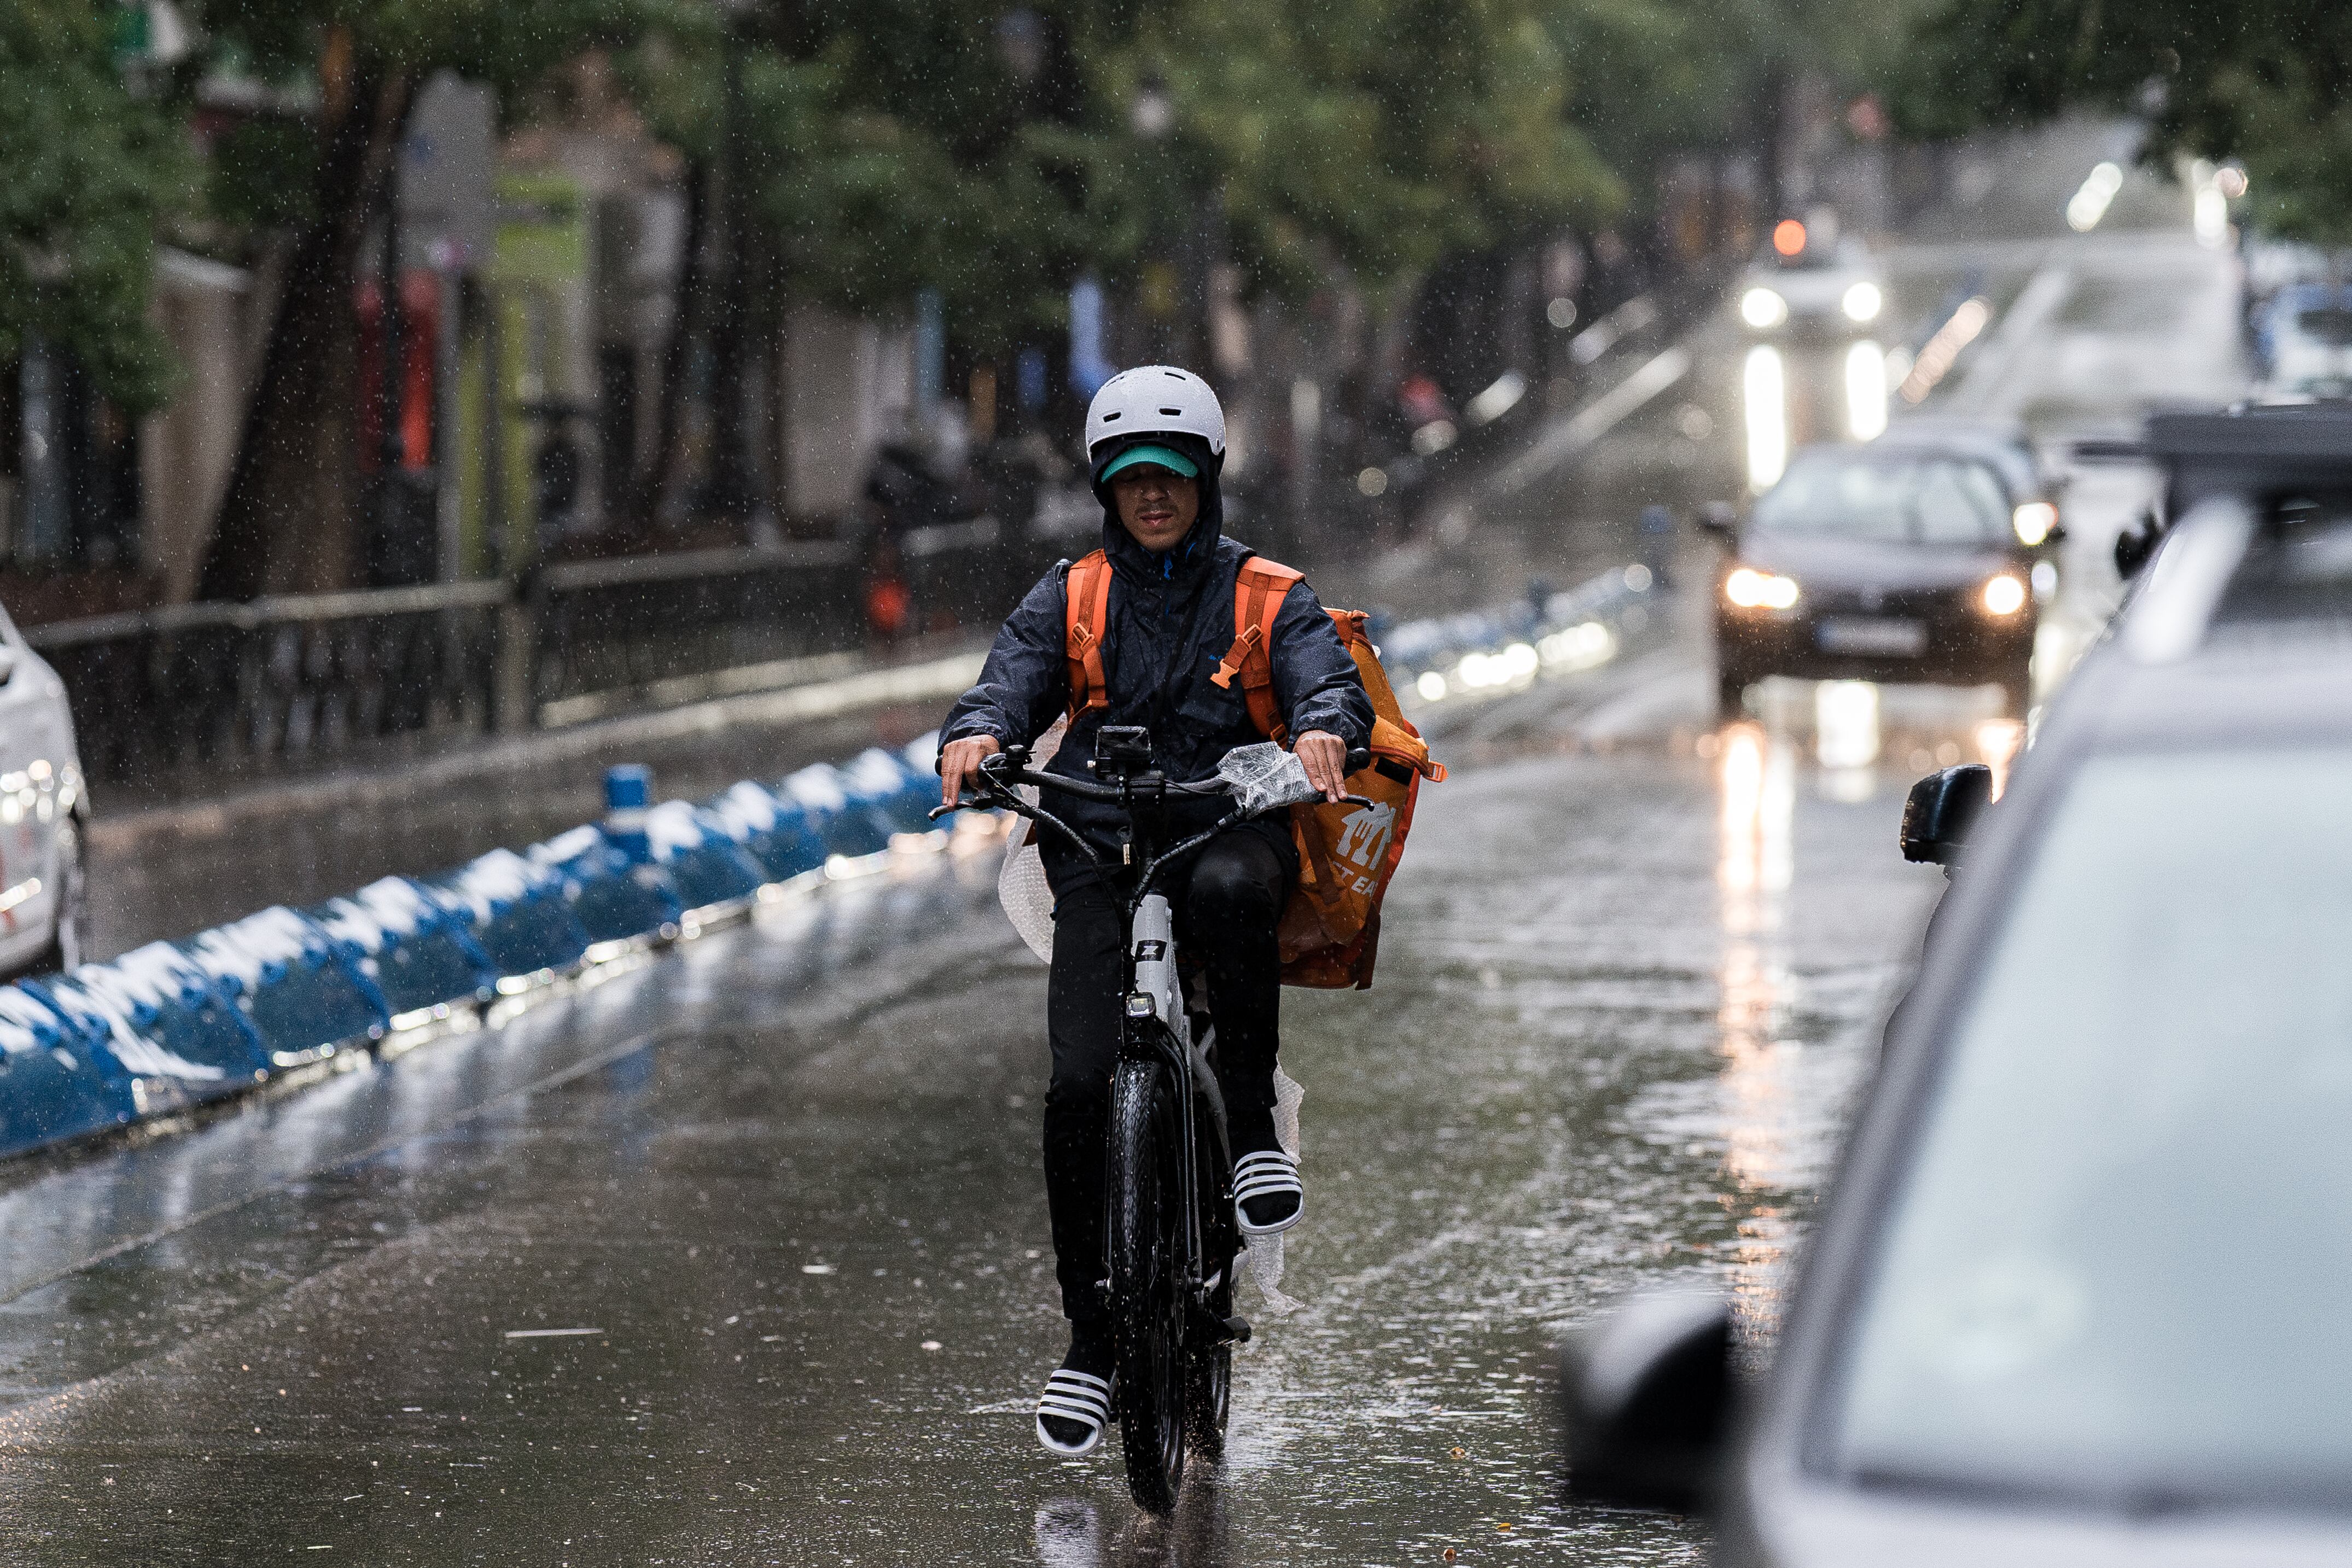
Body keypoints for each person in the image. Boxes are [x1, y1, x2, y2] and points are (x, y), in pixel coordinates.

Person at [937, 366, 1372, 1456]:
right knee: (1079, 1083)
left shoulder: (1271, 593)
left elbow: (1326, 681)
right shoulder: (1069, 594)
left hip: (1223, 823)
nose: (1152, 498)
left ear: (1207, 481)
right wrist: (976, 733)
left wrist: (1322, 725)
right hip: (1097, 838)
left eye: (1171, 478)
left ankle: (1251, 1138)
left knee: (1232, 890)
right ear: (1104, 489)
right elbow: (1007, 682)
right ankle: (1090, 1339)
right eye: (1132, 480)